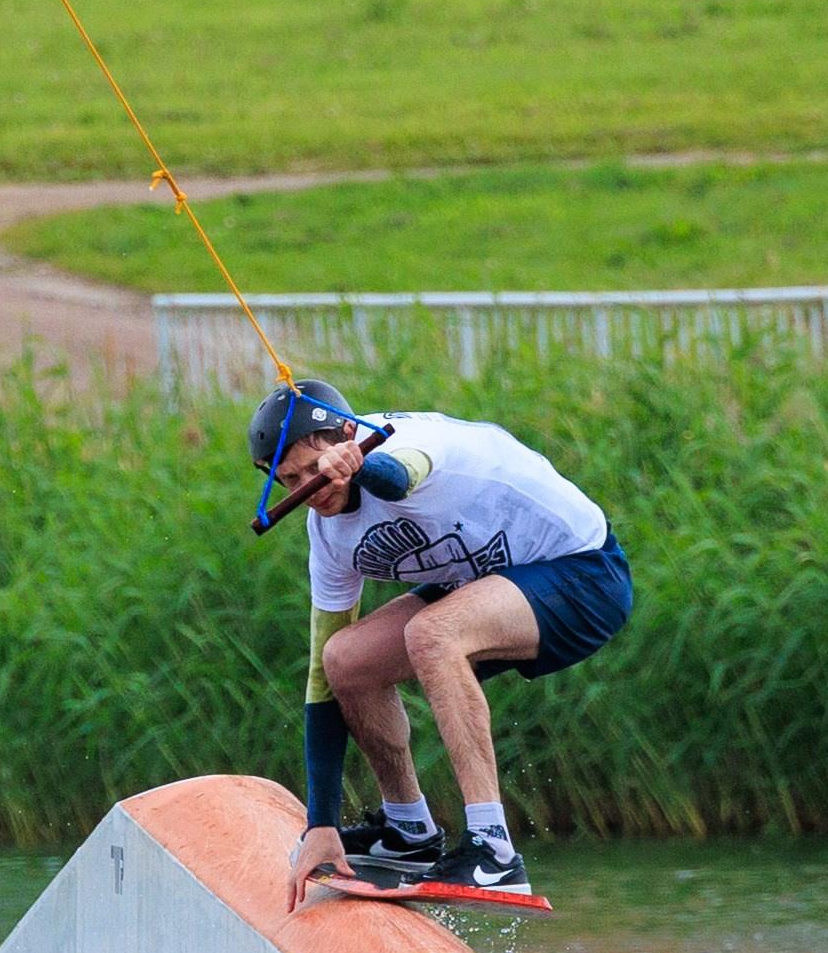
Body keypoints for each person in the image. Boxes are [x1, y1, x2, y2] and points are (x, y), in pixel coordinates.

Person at [248, 383, 632, 910]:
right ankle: (408, 831)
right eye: (290, 480)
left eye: (314, 469)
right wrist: (322, 823)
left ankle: (494, 852)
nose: (309, 489)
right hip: (487, 581)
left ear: (348, 433)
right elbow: (321, 676)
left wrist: (361, 463)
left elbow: (400, 475)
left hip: (584, 574)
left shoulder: (411, 444)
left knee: (432, 633)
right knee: (345, 658)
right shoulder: (329, 535)